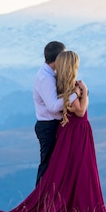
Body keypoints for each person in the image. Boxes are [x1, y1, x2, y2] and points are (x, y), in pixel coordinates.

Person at [0, 50, 106, 212]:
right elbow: (81, 111)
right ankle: (51, 204)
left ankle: (52, 202)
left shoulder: (63, 84)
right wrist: (85, 93)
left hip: (76, 131)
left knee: (69, 170)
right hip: (76, 132)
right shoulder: (70, 88)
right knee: (76, 170)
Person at [33, 41, 79, 186]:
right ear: (58, 59)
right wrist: (74, 95)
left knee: (54, 167)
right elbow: (53, 106)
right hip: (48, 126)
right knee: (47, 166)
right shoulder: (45, 78)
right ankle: (39, 202)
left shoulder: (48, 74)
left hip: (52, 125)